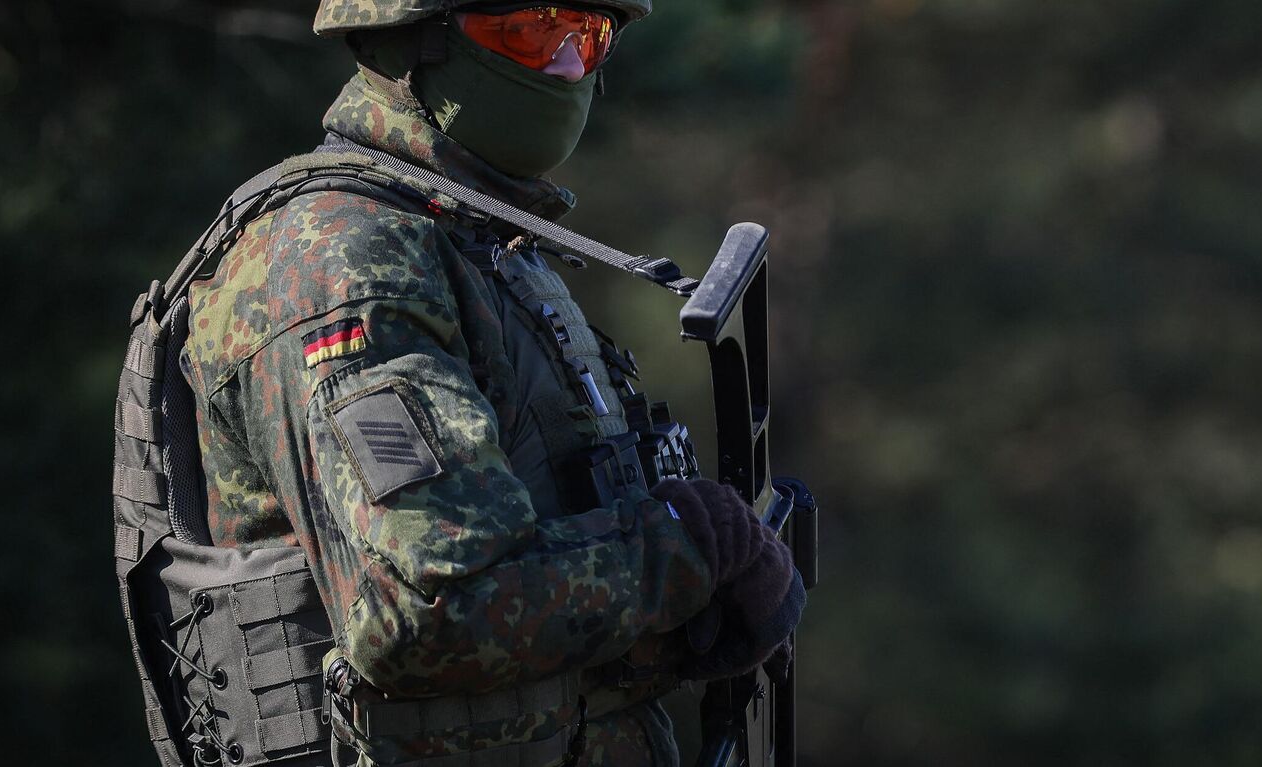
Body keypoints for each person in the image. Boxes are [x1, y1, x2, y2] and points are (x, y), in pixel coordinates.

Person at [173, 1, 803, 763]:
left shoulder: (475, 243)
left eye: (586, 38)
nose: (567, 66)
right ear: (415, 37)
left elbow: (530, 617)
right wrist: (684, 551)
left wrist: (687, 624)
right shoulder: (348, 262)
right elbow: (433, 606)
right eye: (532, 31)